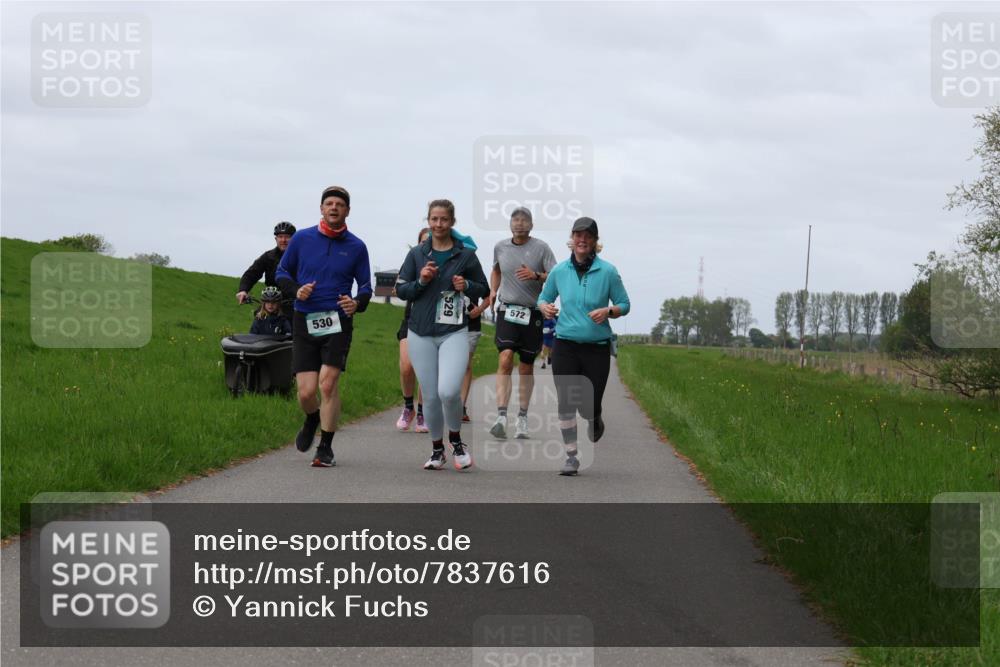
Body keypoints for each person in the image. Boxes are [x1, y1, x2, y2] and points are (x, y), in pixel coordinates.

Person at [276, 186, 372, 468]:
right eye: (329, 203)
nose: (334, 208)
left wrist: (358, 303)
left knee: (327, 384)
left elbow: (366, 286)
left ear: (347, 211)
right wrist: (296, 290)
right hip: (304, 318)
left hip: (338, 320)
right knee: (306, 392)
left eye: (339, 204)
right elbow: (282, 272)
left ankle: (325, 447)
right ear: (321, 208)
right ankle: (311, 417)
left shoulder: (357, 246)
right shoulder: (302, 239)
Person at [395, 200, 488, 471]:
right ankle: (437, 450)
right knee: (431, 396)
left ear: (452, 222)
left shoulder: (466, 255)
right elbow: (401, 291)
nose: (438, 224)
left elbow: (483, 287)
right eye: (434, 219)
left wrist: (467, 285)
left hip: (453, 331)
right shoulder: (417, 255)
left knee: (448, 391)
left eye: (443, 219)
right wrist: (421, 280)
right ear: (428, 220)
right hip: (420, 332)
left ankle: (457, 442)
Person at [538, 216, 630, 476]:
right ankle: (571, 456)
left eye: (587, 236)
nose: (582, 240)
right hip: (565, 344)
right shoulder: (559, 271)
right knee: (566, 402)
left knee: (587, 404)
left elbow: (624, 304)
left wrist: (609, 310)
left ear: (595, 241)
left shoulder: (608, 271)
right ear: (572, 239)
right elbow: (544, 297)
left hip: (596, 347)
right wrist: (544, 306)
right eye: (578, 235)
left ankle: (594, 416)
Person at [485, 207, 557, 440]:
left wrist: (536, 275)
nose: (519, 223)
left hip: (532, 313)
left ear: (531, 225)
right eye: (515, 220)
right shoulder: (500, 247)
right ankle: (501, 416)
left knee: (526, 366)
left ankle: (523, 417)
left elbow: (556, 275)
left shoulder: (541, 248)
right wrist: (493, 290)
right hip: (507, 309)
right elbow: (496, 270)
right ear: (510, 224)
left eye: (524, 220)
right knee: (505, 357)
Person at [396, 229, 429, 433]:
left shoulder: (445, 264)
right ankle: (408, 407)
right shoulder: (413, 261)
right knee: (407, 366)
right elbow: (401, 288)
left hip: (433, 323)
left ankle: (422, 412)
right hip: (411, 319)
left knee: (424, 371)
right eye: (423, 241)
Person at [237, 222, 297, 318]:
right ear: (276, 239)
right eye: (280, 237)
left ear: (294, 239)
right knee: (259, 319)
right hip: (272, 301)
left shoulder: (301, 257)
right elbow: (251, 274)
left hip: (296, 302)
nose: (283, 240)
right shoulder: (268, 257)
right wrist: (243, 290)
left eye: (287, 237)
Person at [461, 294, 487, 422]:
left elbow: (488, 296)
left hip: (470, 326)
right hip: (444, 325)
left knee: (465, 365)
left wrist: (480, 309)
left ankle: (461, 406)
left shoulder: (474, 273)